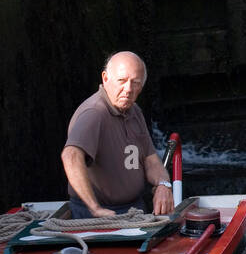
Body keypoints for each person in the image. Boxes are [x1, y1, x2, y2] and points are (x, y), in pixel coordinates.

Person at [61, 52, 174, 218]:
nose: (128, 89)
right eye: (122, 81)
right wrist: (95, 208)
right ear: (105, 78)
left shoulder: (134, 111)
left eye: (135, 82)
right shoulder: (94, 112)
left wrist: (164, 184)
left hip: (135, 208)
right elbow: (71, 155)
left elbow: (151, 161)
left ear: (141, 87)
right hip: (101, 214)